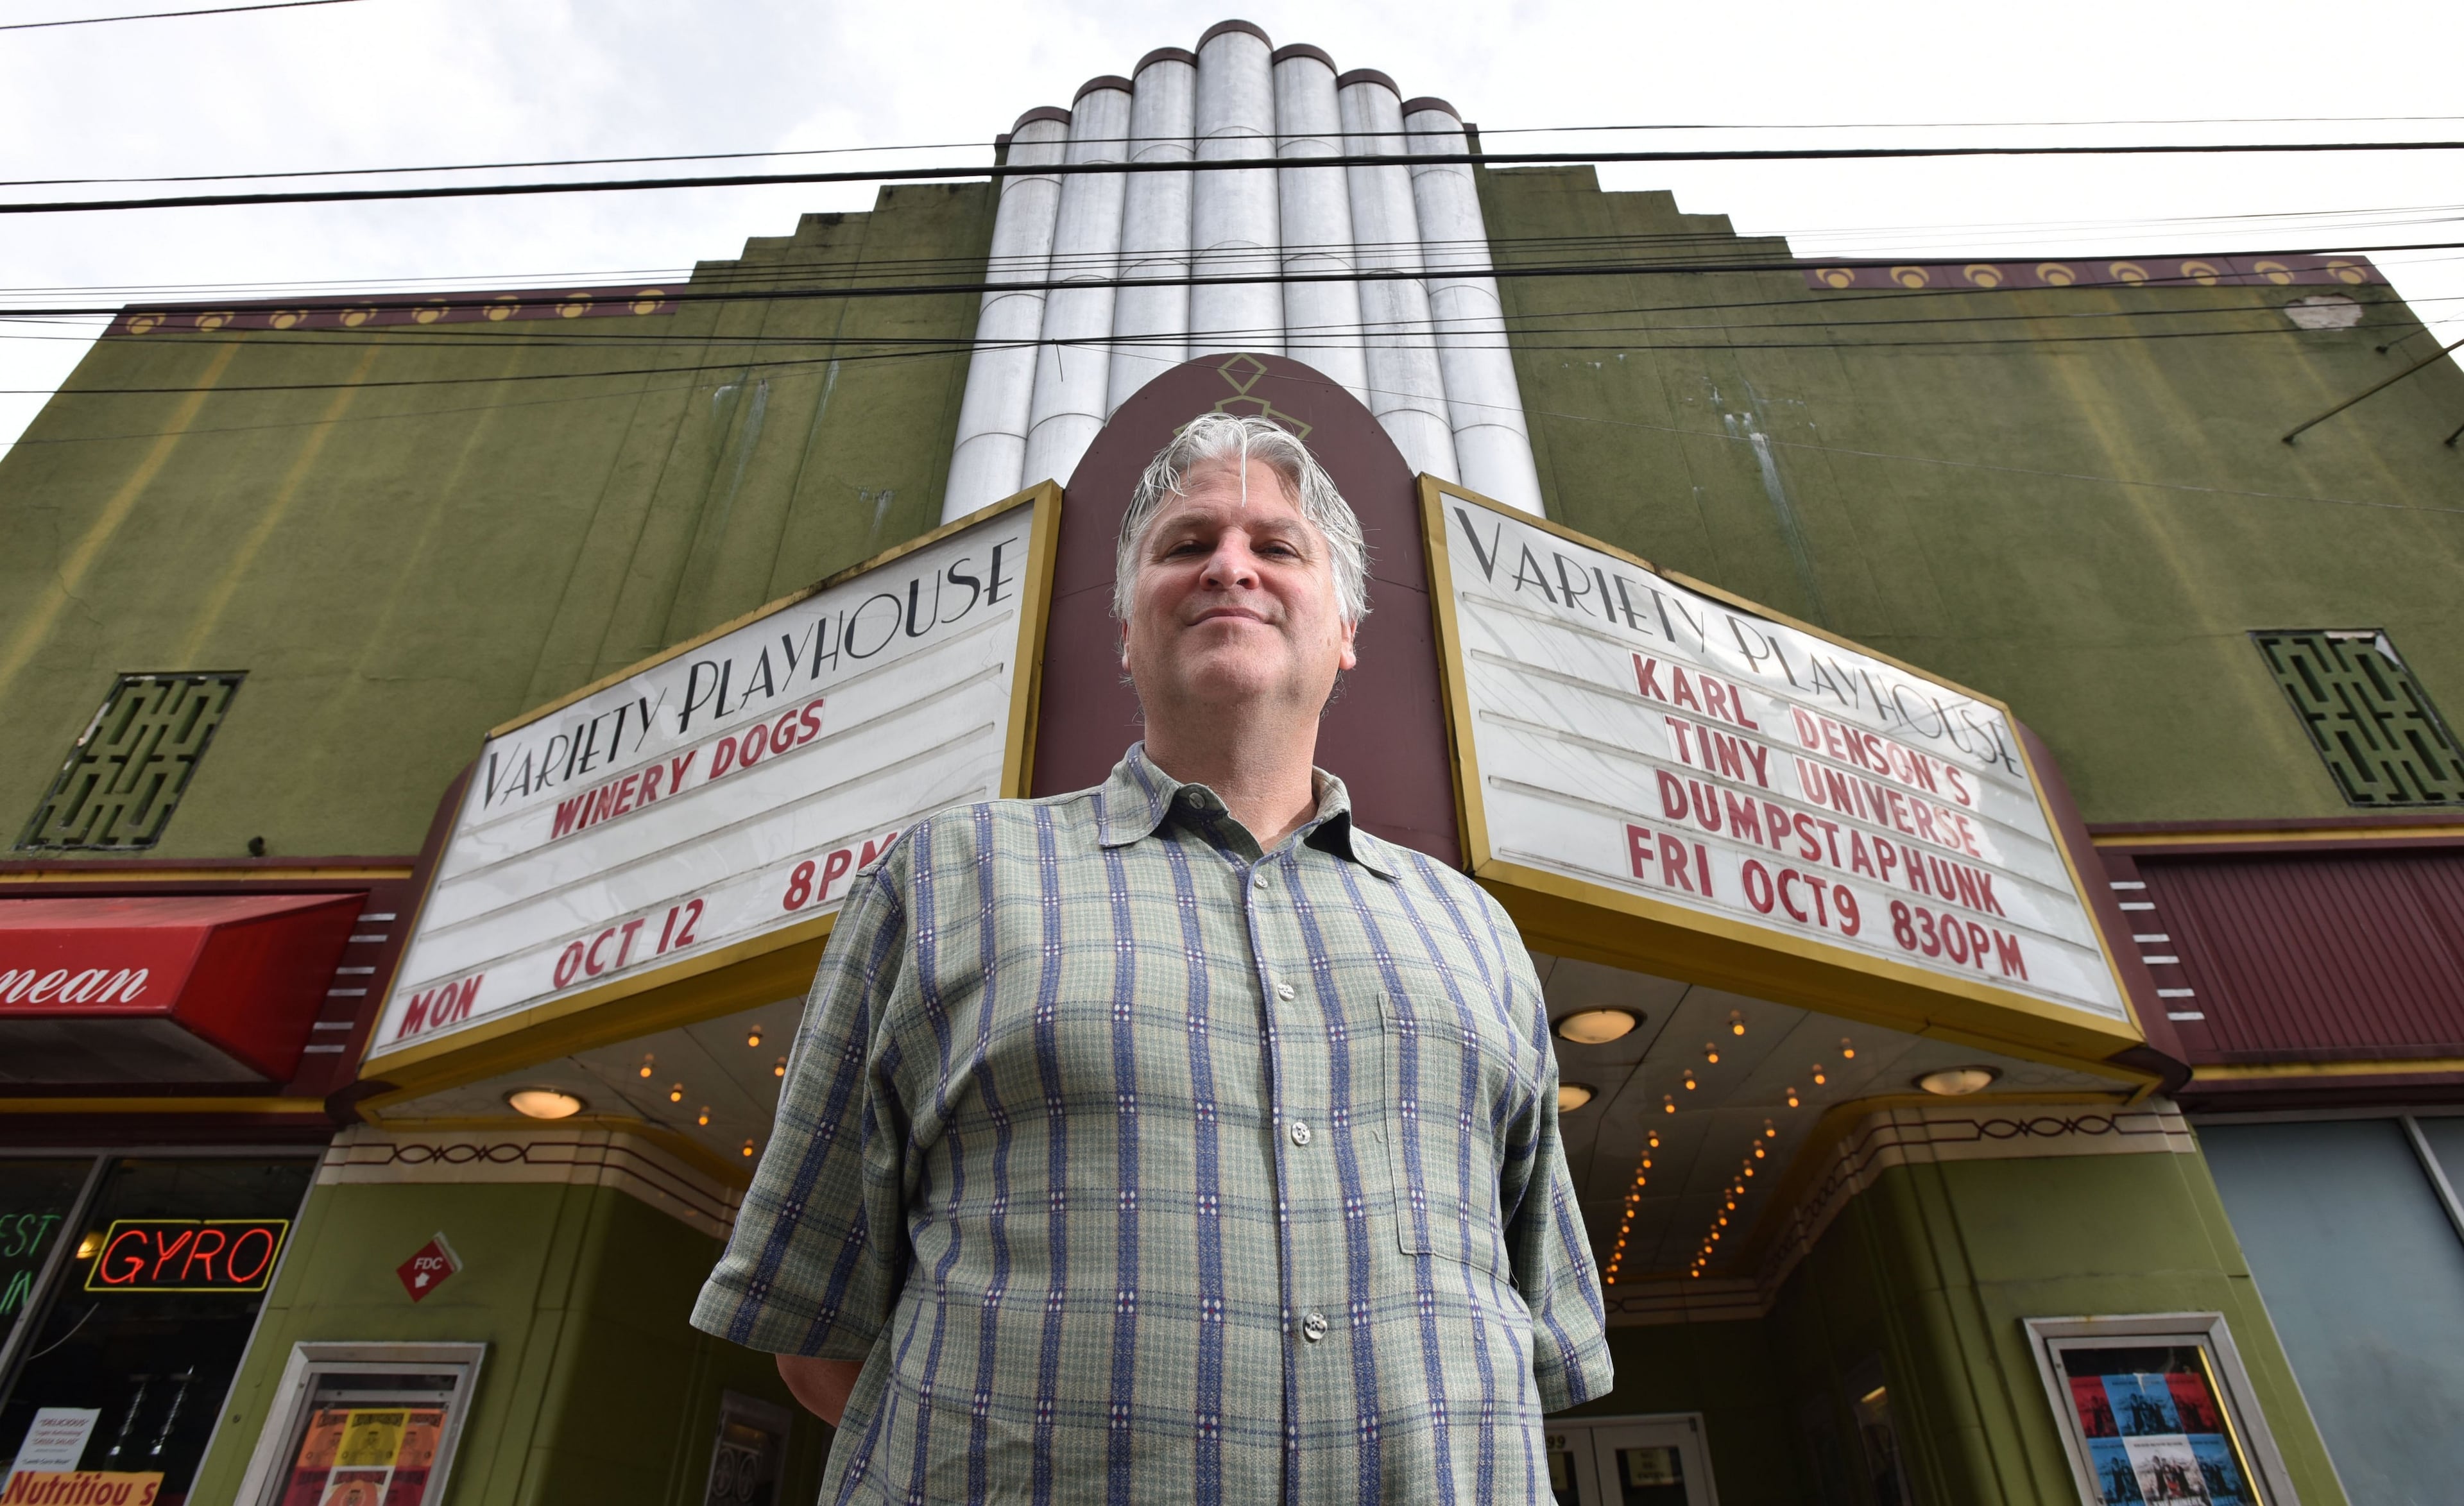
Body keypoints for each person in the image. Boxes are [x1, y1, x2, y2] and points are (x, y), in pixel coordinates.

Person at [692, 412, 1610, 1503]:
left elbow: (1532, 1333)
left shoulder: (1476, 929)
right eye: (1186, 545)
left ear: (1346, 626)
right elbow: (820, 1336)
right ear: (1125, 627)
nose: (1231, 566)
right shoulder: (946, 877)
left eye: (1277, 546)